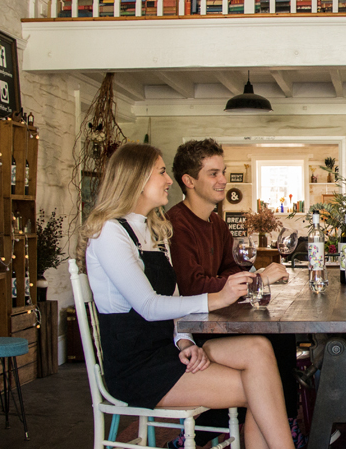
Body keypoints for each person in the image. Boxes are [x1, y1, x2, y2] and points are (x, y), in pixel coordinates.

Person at [78, 143, 293, 449]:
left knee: (259, 348)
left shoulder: (153, 232)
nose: (169, 180)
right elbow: (150, 307)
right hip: (136, 368)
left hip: (168, 351)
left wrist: (186, 342)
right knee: (262, 387)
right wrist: (217, 298)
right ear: (137, 178)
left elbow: (175, 306)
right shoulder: (109, 234)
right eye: (162, 172)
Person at [165, 138, 301, 447]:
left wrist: (230, 281)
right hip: (191, 331)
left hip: (213, 319)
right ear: (188, 181)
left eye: (223, 172)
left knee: (281, 336)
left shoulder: (215, 222)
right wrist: (251, 280)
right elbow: (193, 287)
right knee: (274, 342)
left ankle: (276, 429)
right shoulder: (175, 224)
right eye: (213, 173)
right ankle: (210, 432)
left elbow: (231, 271)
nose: (223, 179)